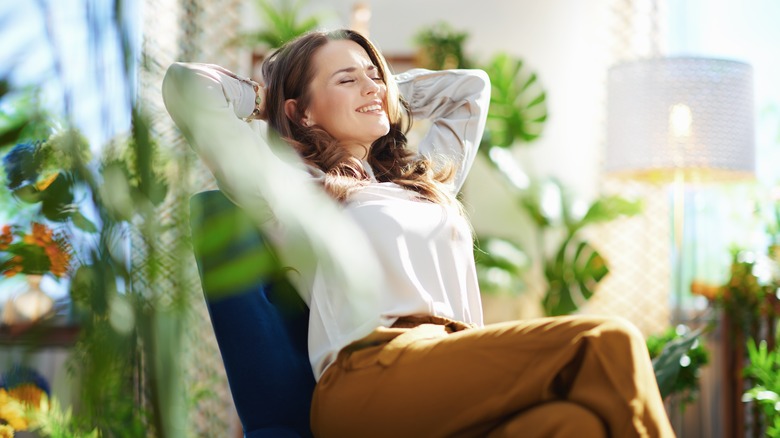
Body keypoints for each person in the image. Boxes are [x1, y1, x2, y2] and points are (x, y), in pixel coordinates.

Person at [162, 28, 675, 438]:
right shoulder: (291, 188)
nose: (373, 88)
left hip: (455, 364)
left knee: (573, 427)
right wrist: (274, 99)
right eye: (347, 80)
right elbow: (186, 86)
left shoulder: (424, 184)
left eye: (374, 76)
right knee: (607, 339)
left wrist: (377, 89)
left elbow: (471, 90)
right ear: (301, 110)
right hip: (370, 377)